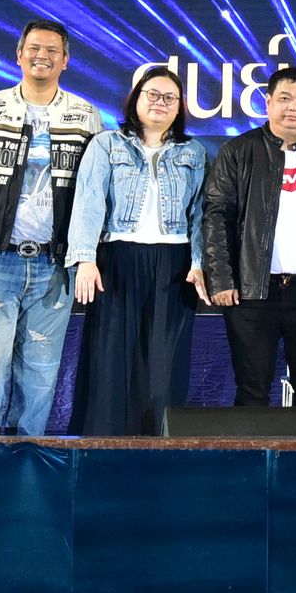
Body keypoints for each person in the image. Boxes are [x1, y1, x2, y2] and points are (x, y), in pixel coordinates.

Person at [0, 20, 102, 436]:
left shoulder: (85, 115)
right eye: (34, 48)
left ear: (66, 60)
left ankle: (27, 455)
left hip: (53, 263)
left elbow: (92, 189)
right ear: (19, 54)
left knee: (40, 371)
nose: (43, 56)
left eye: (52, 50)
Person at [66, 66, 209, 436]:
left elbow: (201, 213)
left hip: (174, 265)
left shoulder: (193, 153)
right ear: (136, 99)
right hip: (117, 260)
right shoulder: (106, 144)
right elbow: (89, 202)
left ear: (179, 106)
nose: (161, 102)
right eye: (153, 94)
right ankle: (103, 444)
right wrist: (85, 258)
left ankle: (159, 445)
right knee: (110, 356)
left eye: (170, 98)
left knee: (164, 362)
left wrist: (199, 262)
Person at [200, 66, 296, 435]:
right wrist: (221, 278)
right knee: (253, 389)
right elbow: (216, 216)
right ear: (267, 102)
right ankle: (253, 466)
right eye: (285, 98)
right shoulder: (237, 151)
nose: (294, 107)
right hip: (251, 293)